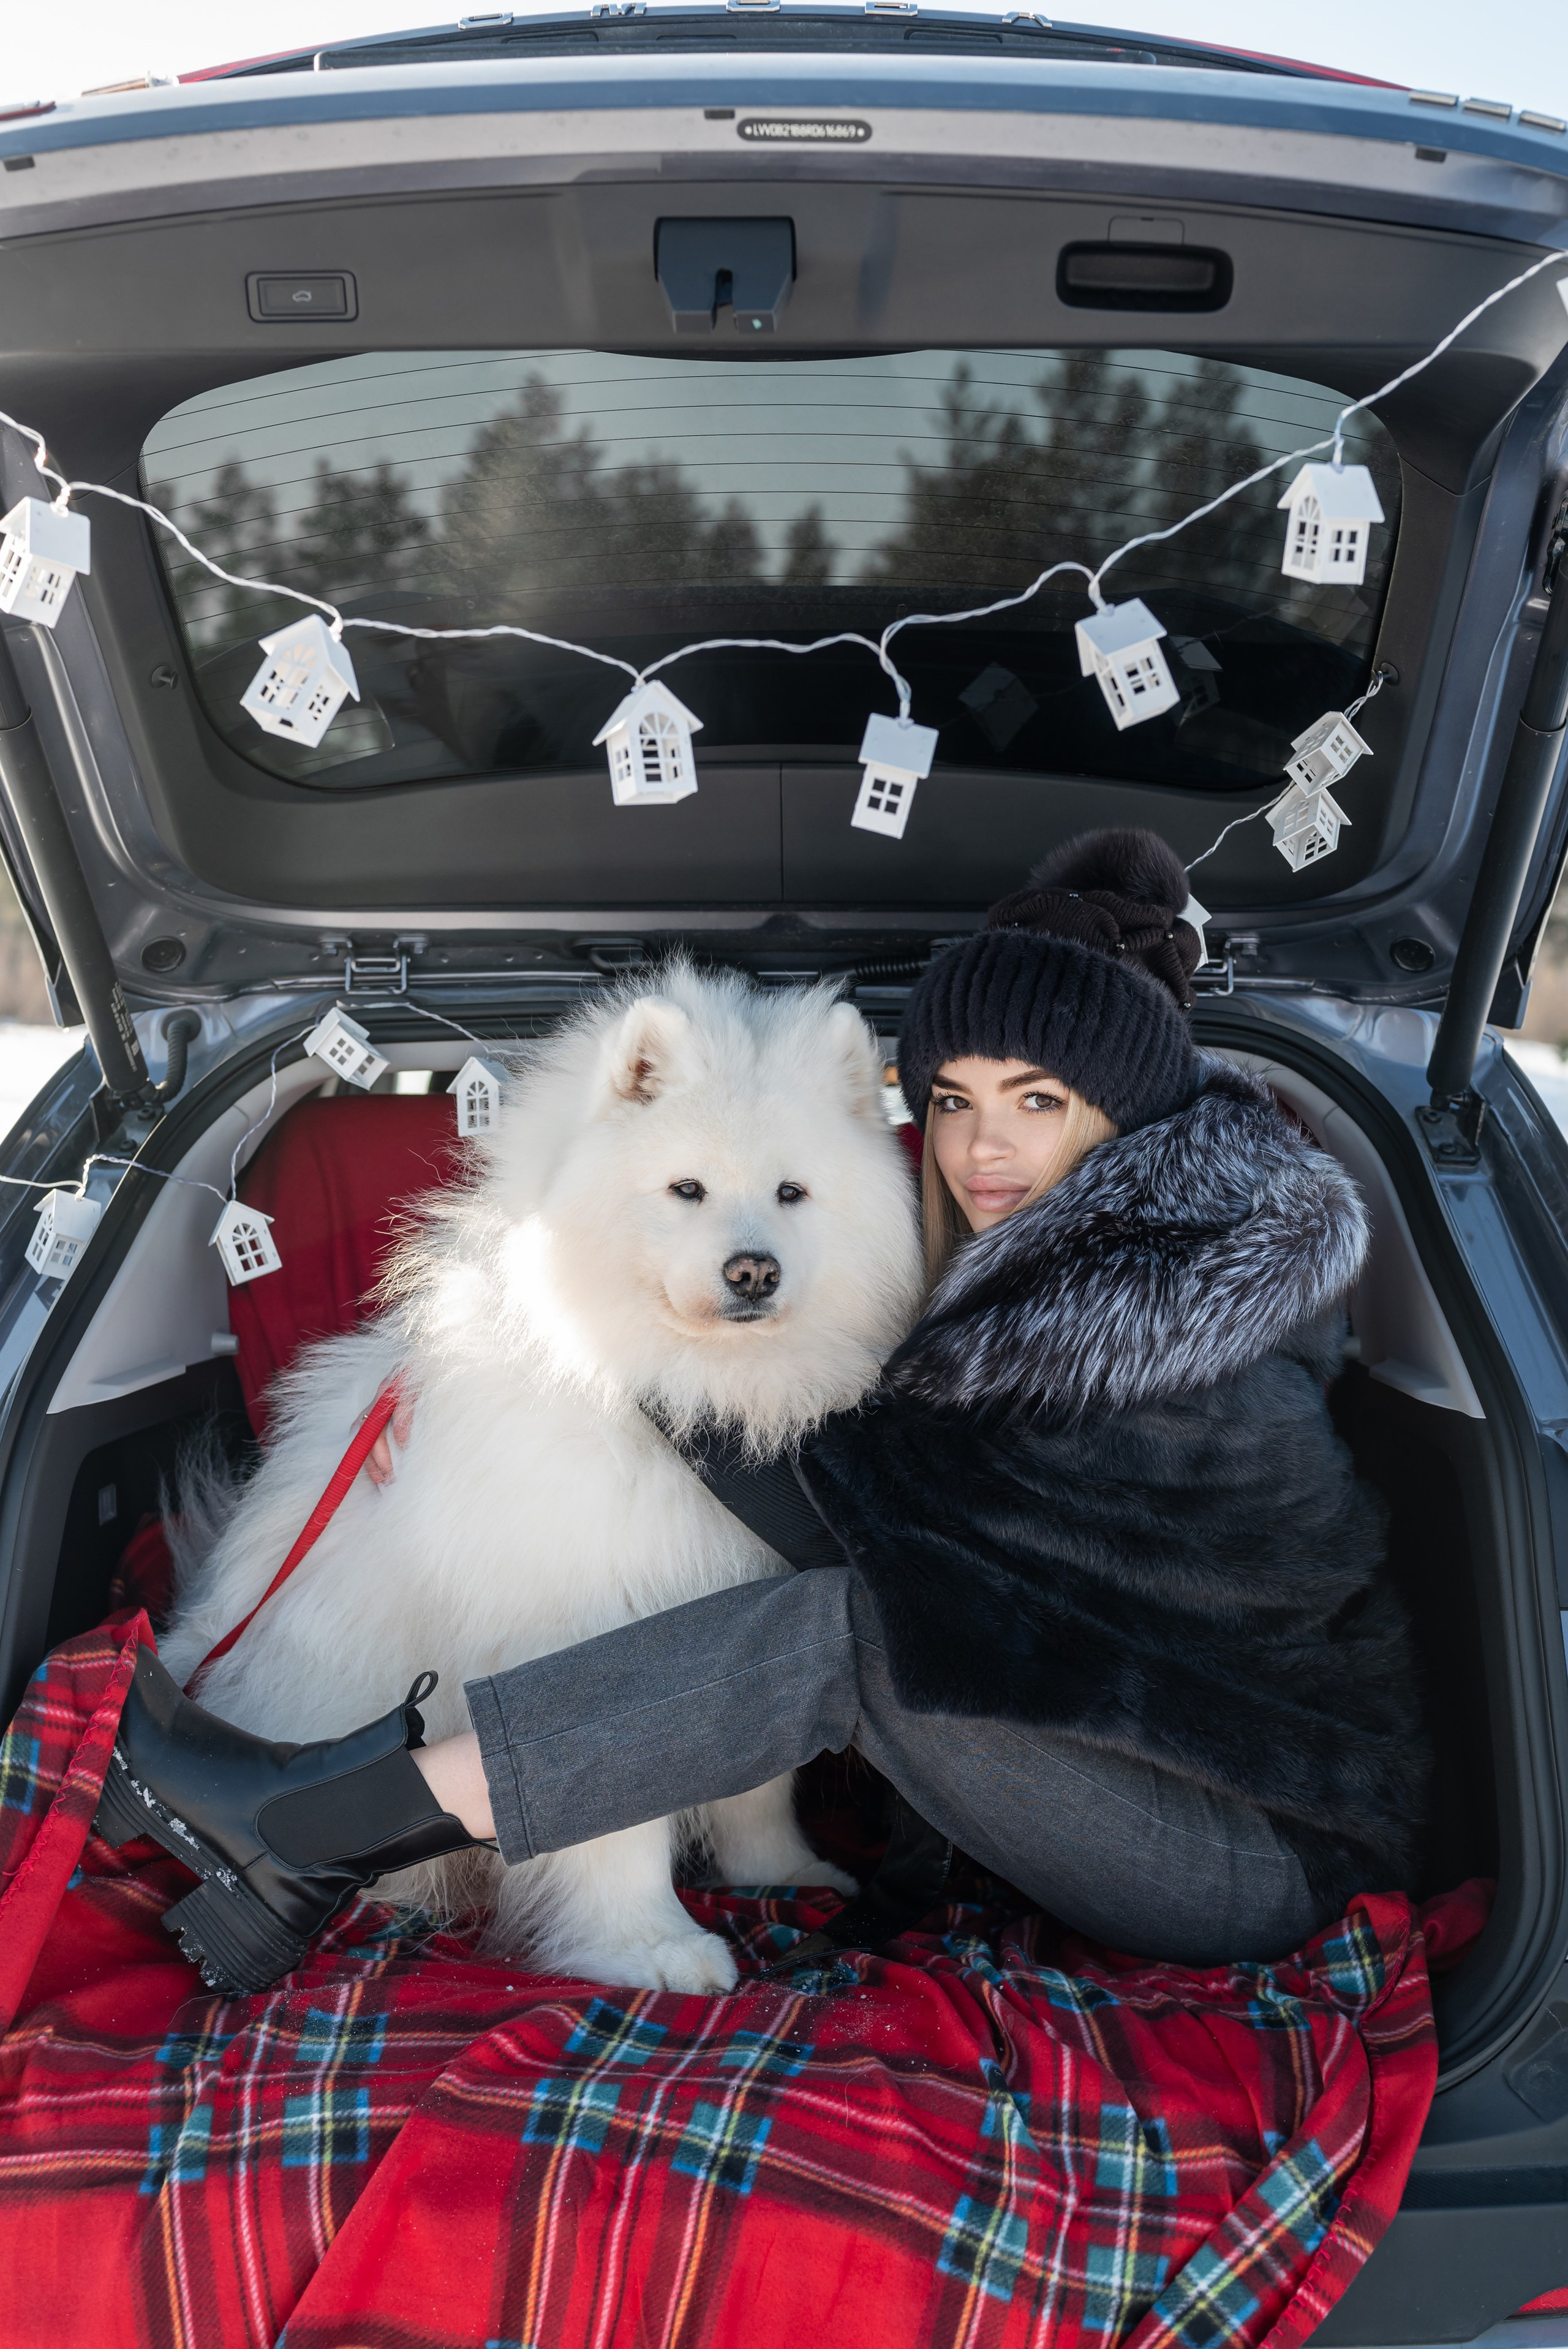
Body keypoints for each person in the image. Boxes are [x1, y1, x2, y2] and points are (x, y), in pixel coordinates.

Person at [98, 828, 1428, 1985]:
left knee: (840, 1633)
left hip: (1250, 1846)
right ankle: (405, 1824)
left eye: (1038, 1100)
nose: (982, 1147)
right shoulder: (1068, 1267)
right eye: (954, 1100)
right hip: (1152, 1779)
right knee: (816, 1619)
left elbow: (909, 1551)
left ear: (1123, 1113)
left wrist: (613, 1374)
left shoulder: (1168, 1328)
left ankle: (306, 1828)